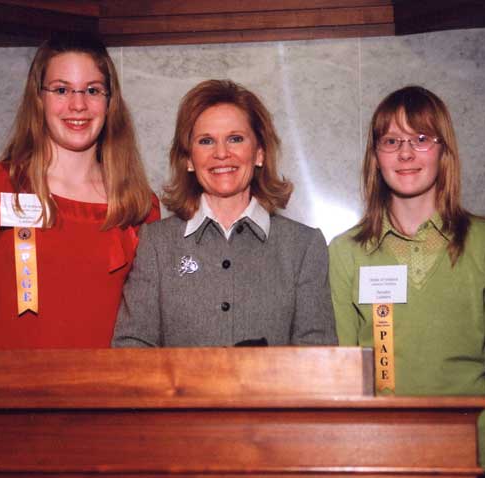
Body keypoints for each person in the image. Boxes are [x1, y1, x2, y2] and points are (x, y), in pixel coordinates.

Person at [328, 86, 485, 478]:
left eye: (421, 139)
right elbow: (344, 377)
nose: (406, 153)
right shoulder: (346, 252)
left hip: (474, 464)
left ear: (443, 151)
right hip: (381, 463)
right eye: (391, 141)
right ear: (376, 158)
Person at [0, 33, 159, 397]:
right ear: (38, 99)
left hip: (108, 410)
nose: (78, 105)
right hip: (11, 412)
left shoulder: (139, 205)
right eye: (61, 89)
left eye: (92, 90)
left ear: (110, 101)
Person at [112, 79, 336, 348]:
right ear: (189, 159)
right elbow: (132, 346)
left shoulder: (303, 246)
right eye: (206, 141)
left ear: (259, 154)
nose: (221, 153)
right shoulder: (156, 243)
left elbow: (318, 360)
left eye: (235, 139)